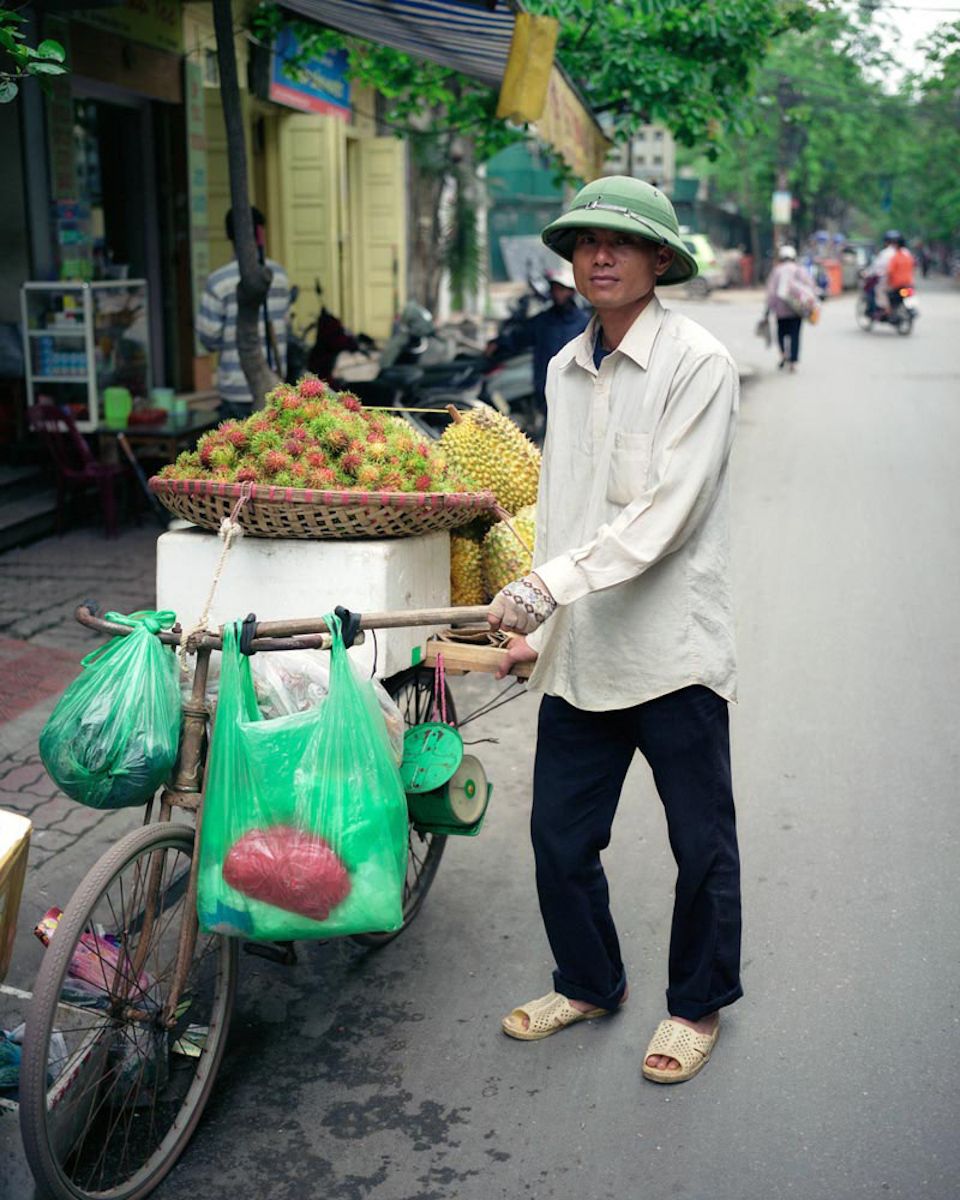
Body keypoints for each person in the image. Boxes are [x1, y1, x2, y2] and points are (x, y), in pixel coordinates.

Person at [486, 176, 742, 1085]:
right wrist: (537, 623)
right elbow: (563, 509)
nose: (599, 256)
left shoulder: (698, 364)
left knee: (699, 845)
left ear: (659, 261)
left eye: (621, 243)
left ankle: (696, 1004)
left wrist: (546, 586)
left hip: (672, 651)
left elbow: (666, 514)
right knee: (559, 838)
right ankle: (589, 981)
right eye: (585, 242)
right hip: (585, 652)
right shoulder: (562, 367)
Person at [196, 206, 291, 419]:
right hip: (274, 384)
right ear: (261, 233)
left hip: (236, 390)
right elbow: (286, 326)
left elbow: (208, 339)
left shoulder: (218, 281)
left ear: (230, 236)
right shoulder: (279, 276)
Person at [486, 264, 590, 426]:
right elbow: (519, 338)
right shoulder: (542, 321)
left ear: (571, 292)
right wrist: (497, 344)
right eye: (555, 289)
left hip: (576, 387)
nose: (558, 294)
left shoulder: (584, 322)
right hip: (546, 386)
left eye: (562, 289)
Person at [764, 245, 816, 372]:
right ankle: (793, 362)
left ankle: (783, 355)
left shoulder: (777, 271)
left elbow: (771, 292)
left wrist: (769, 308)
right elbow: (810, 286)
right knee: (795, 334)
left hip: (780, 310)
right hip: (797, 309)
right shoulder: (799, 270)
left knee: (781, 333)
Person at [863, 230, 900, 318]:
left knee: (878, 289)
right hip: (905, 282)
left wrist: (866, 273)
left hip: (889, 281)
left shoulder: (885, 253)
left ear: (886, 242)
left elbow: (875, 267)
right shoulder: (904, 252)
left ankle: (885, 310)